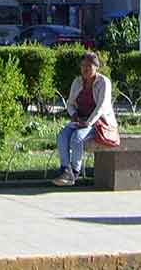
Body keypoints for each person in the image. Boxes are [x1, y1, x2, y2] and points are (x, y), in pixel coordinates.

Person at [53, 52, 119, 186]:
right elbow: (70, 103)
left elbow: (101, 107)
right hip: (80, 120)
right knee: (62, 135)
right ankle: (65, 170)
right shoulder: (77, 82)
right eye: (83, 66)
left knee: (77, 137)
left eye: (89, 66)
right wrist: (74, 116)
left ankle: (75, 172)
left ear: (96, 67)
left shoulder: (104, 82)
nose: (85, 69)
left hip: (99, 122)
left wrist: (88, 123)